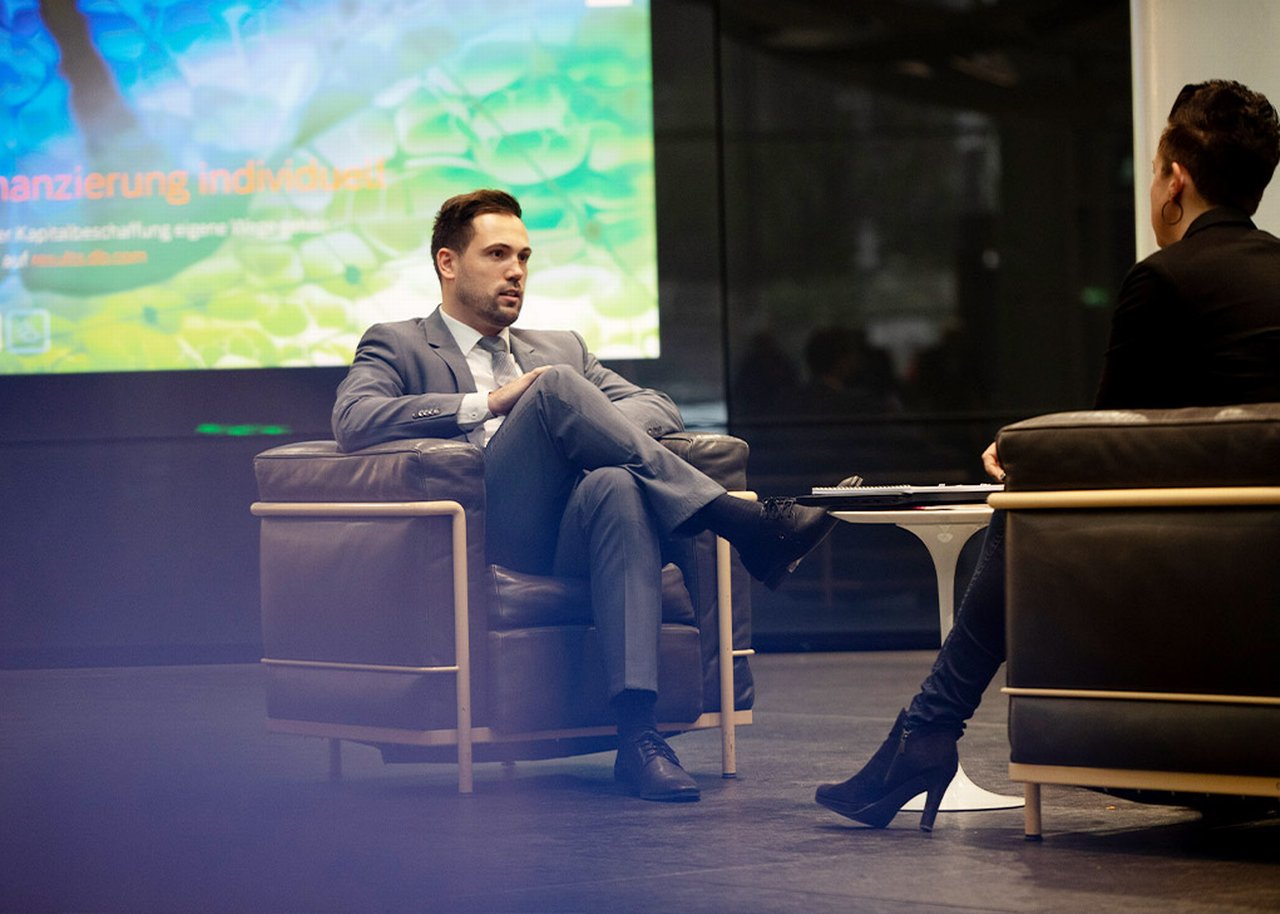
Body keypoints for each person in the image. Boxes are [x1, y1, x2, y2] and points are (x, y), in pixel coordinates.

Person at [815, 79, 1280, 830]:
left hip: (1190, 574)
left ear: (1176, 182)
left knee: (1024, 509)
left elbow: (1108, 444)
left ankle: (926, 733)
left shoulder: (1163, 279)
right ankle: (924, 734)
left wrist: (1029, 456)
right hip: (1255, 571)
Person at [332, 188, 839, 802]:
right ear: (447, 262)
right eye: (497, 254)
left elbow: (658, 406)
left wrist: (592, 429)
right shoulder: (399, 342)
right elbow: (355, 418)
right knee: (551, 392)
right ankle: (738, 520)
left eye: (523, 256)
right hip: (488, 530)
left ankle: (638, 738)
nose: (516, 270)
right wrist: (492, 403)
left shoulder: (560, 347)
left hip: (575, 528)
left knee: (614, 482)